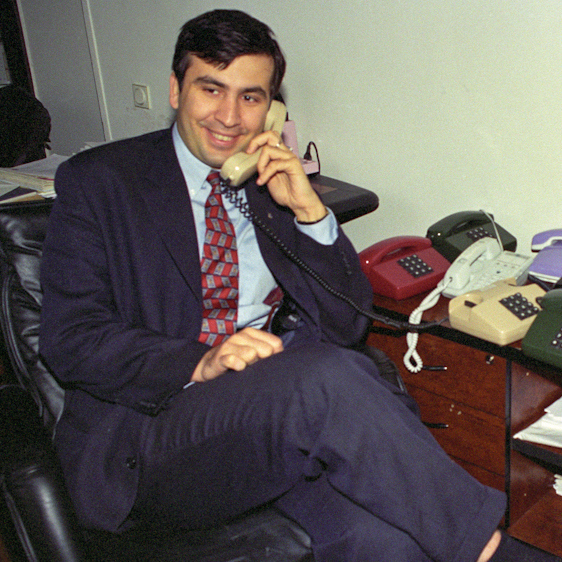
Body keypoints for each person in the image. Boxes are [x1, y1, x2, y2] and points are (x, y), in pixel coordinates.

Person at [39, 9, 560, 562]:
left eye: (251, 96)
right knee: (325, 378)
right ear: (175, 89)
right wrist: (200, 362)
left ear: (271, 107)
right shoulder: (101, 182)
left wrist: (312, 216)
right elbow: (71, 338)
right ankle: (492, 552)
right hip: (154, 439)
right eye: (210, 89)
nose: (228, 116)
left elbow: (346, 323)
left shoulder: (269, 186)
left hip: (269, 421)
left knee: (387, 541)